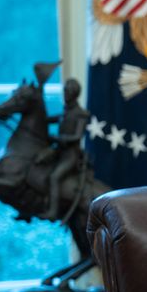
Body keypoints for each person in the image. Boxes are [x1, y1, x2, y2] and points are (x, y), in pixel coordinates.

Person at [38, 79, 90, 220]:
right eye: (64, 91)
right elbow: (45, 119)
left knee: (54, 177)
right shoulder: (64, 113)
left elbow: (77, 137)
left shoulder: (81, 114)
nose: (65, 94)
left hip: (70, 155)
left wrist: (59, 138)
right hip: (59, 152)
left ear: (74, 93)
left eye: (67, 91)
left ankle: (53, 211)